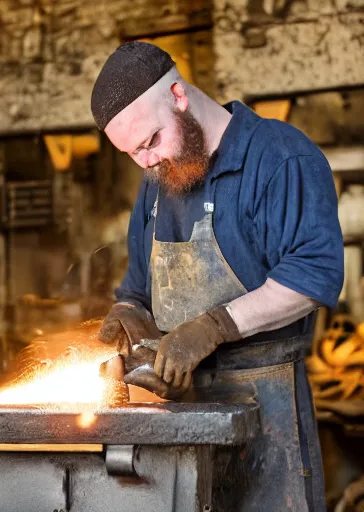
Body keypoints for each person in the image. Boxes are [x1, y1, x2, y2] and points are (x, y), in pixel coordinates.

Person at [91, 42, 343, 511]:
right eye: (131, 153)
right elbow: (138, 287)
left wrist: (214, 327)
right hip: (182, 422)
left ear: (179, 96)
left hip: (267, 412)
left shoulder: (279, 157)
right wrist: (130, 314)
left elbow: (314, 273)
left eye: (149, 141)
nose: (145, 161)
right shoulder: (156, 187)